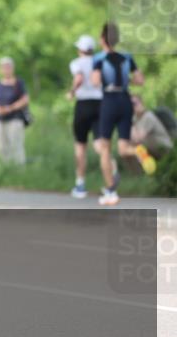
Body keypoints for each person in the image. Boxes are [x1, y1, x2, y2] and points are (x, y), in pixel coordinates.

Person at [91, 22, 144, 206]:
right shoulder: (128, 57)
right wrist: (127, 79)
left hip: (109, 101)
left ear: (103, 39)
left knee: (105, 148)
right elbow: (140, 80)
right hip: (125, 101)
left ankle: (111, 191)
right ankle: (137, 150)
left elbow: (96, 81)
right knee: (123, 148)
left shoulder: (98, 58)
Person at [65, 34, 101, 198]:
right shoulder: (100, 61)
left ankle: (80, 185)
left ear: (80, 49)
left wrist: (72, 91)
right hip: (100, 104)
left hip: (84, 104)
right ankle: (112, 177)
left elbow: (79, 78)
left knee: (80, 146)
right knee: (101, 144)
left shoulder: (76, 63)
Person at [0, 57, 29, 165]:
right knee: (2, 146)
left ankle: (19, 169)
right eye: (3, 67)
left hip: (15, 118)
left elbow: (25, 99)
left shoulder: (19, 83)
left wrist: (10, 108)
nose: (6, 69)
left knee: (16, 145)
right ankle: (5, 169)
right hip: (0, 119)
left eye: (8, 67)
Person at [131, 94, 171, 174]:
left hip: (163, 149)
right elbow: (132, 139)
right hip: (152, 148)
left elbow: (138, 138)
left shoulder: (148, 116)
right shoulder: (135, 118)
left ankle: (149, 170)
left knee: (135, 147)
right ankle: (143, 172)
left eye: (135, 103)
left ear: (141, 103)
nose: (133, 106)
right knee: (129, 147)